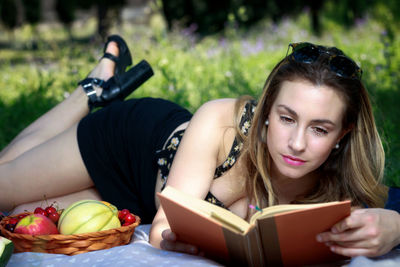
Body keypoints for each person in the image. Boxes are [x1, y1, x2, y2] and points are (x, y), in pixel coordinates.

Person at [0, 38, 390, 258]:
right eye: (287, 119)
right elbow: (164, 228)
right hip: (130, 141)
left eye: (320, 129)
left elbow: (387, 207)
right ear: (267, 111)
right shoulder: (221, 121)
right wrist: (178, 235)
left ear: (343, 134)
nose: (298, 143)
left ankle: (95, 90)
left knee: (20, 215)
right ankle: (91, 92)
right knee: (3, 181)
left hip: (139, 199)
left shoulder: (344, 180)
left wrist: (394, 226)